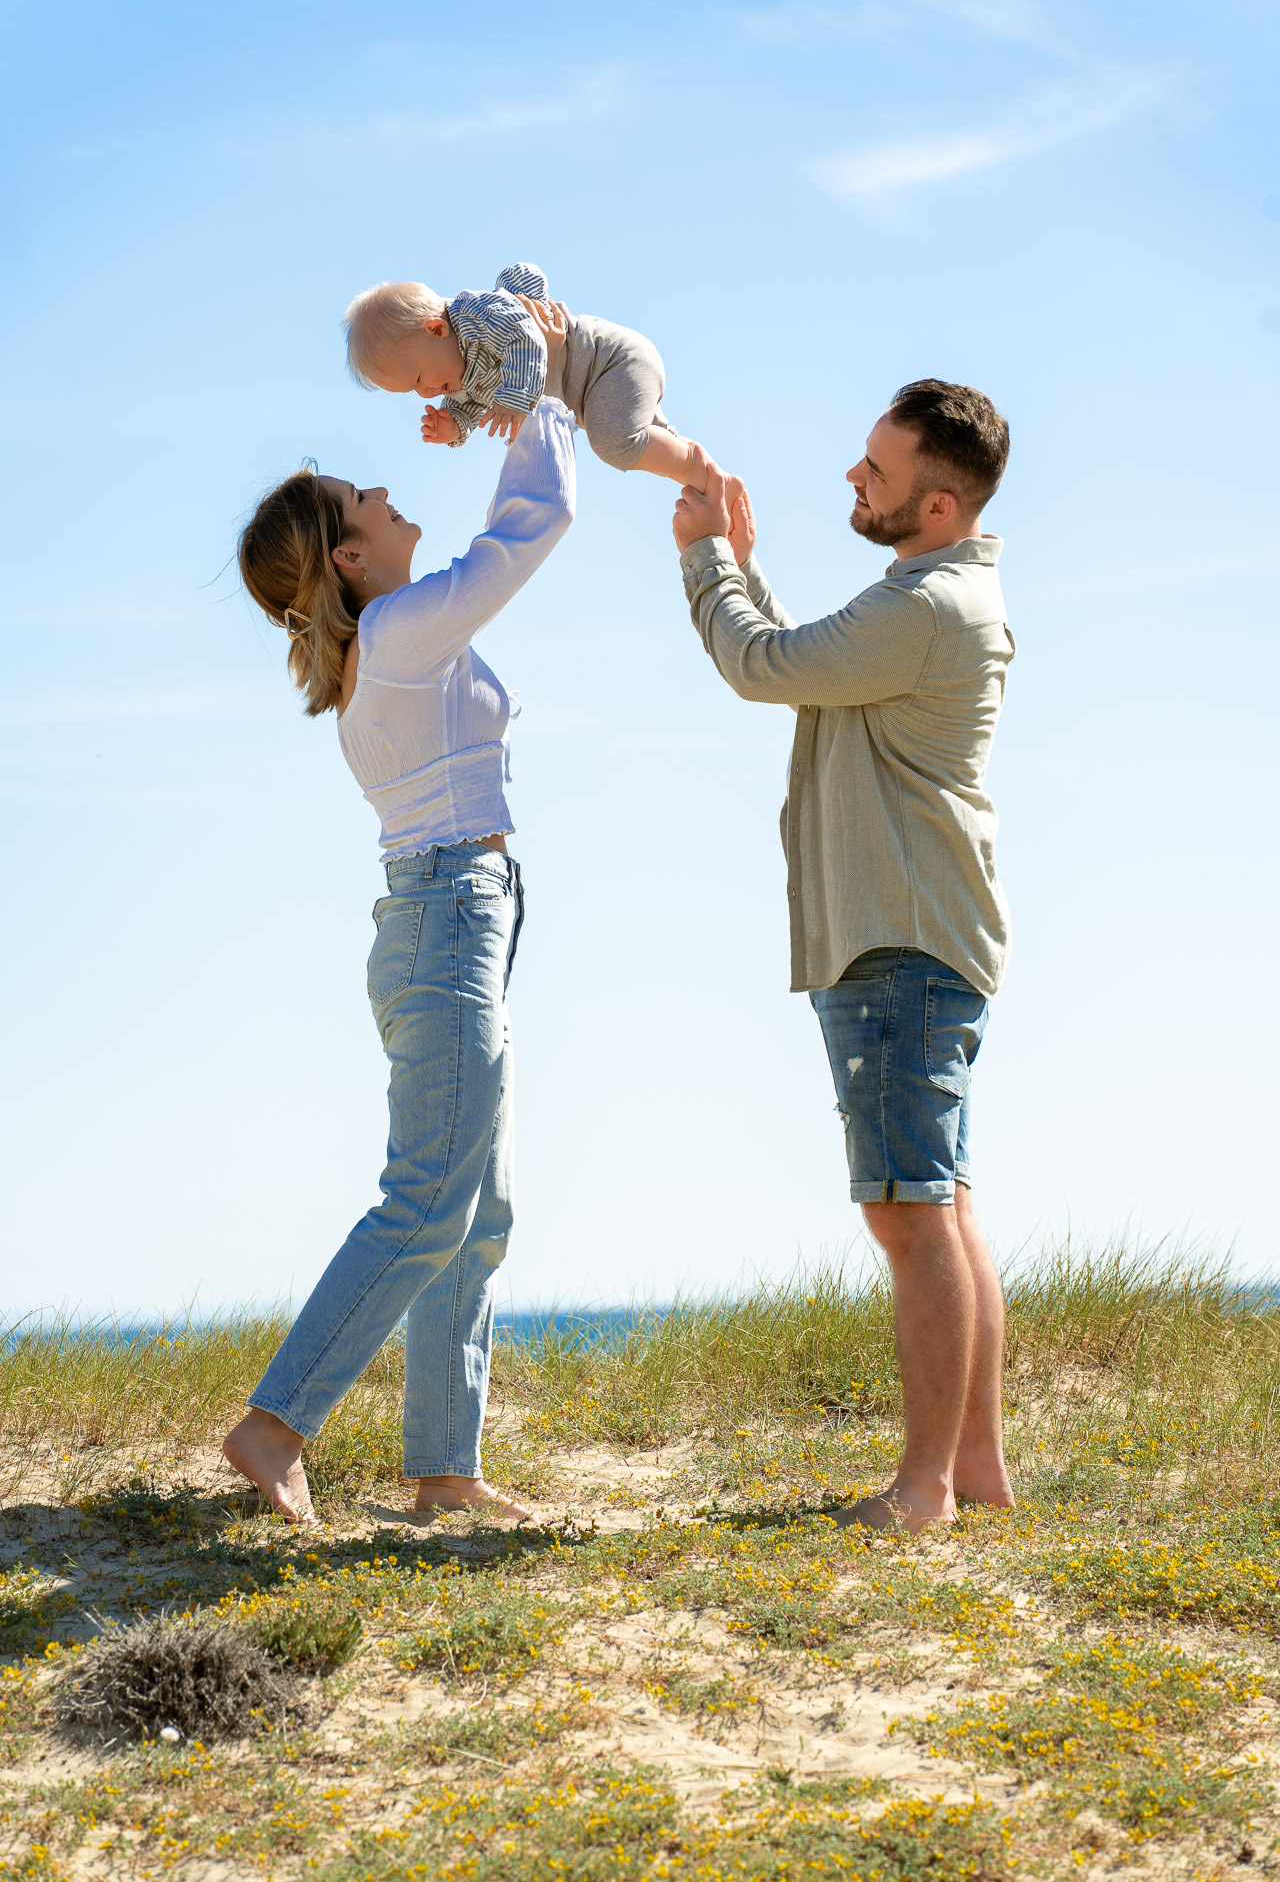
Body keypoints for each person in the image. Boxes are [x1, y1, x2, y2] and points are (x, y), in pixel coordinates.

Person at [222, 310, 576, 1527]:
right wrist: (540, 396)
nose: (382, 486)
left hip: (456, 914)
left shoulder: (388, 640)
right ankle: (274, 1426)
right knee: (429, 1196)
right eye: (356, 495)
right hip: (446, 917)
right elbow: (529, 530)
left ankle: (442, 1471)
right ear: (352, 558)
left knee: (479, 1209)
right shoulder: (402, 632)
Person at [672, 379, 1016, 1534]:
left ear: (934, 505)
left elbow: (760, 667)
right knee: (941, 1206)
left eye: (873, 470)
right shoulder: (925, 595)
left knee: (908, 1215)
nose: (852, 479)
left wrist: (706, 556)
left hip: (896, 941)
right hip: (913, 938)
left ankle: (923, 1491)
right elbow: (801, 664)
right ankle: (970, 1471)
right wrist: (740, 565)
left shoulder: (922, 609)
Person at [344, 262, 712, 489]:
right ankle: (697, 473)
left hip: (608, 360)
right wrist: (454, 427)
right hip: (593, 393)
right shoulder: (459, 371)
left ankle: (693, 467)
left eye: (419, 378)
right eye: (413, 392)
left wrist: (512, 399)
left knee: (612, 443)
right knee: (641, 439)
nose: (425, 393)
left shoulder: (476, 316)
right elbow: (472, 406)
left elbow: (524, 332)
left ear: (437, 330)